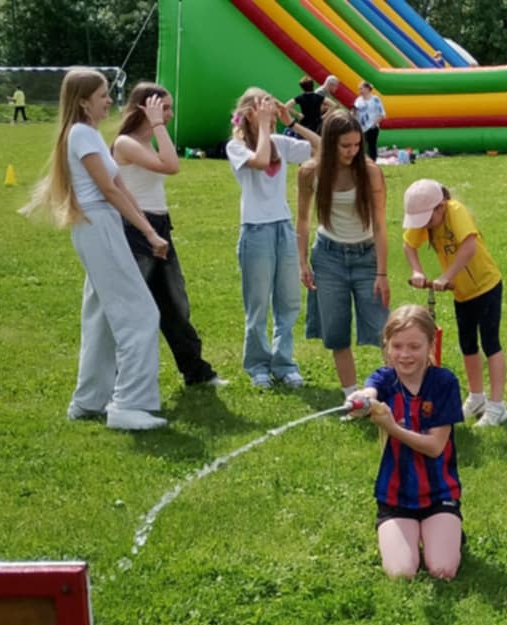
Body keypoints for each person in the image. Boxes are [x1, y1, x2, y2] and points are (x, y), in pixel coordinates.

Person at [19, 68, 168, 432]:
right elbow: (109, 190)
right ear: (84, 101)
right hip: (98, 225)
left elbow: (119, 185)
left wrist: (146, 228)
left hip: (102, 225)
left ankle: (89, 401)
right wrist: (149, 232)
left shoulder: (89, 134)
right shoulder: (82, 134)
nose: (109, 101)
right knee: (140, 315)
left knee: (100, 318)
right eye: (103, 95)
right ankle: (128, 405)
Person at [114, 82, 223, 390]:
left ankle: (196, 371)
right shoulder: (125, 143)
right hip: (137, 229)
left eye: (169, 108)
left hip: (160, 226)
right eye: (164, 108)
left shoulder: (148, 141)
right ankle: (119, 381)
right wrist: (158, 125)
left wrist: (158, 127)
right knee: (134, 308)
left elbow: (169, 162)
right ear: (144, 108)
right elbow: (172, 166)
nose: (170, 114)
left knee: (175, 303)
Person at [353, 306, 463, 580]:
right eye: (397, 346)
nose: (405, 354)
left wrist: (392, 429)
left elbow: (435, 447)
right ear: (387, 345)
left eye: (414, 346)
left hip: (439, 493)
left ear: (430, 345)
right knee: (402, 573)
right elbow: (370, 390)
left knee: (442, 570)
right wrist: (361, 400)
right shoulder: (384, 379)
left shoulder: (444, 383)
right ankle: (408, 533)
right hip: (395, 496)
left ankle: (447, 531)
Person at [226, 87, 318, 389]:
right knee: (258, 303)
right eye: (261, 106)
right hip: (255, 230)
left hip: (282, 227)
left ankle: (284, 363)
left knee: (288, 301)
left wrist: (291, 122)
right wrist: (264, 127)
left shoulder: (279, 141)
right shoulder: (236, 147)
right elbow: (261, 161)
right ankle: (257, 365)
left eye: (269, 105)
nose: (268, 111)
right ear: (247, 113)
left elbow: (320, 149)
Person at [298, 111, 392, 396]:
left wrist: (382, 273)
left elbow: (380, 225)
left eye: (356, 144)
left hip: (366, 256)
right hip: (328, 257)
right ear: (329, 143)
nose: (352, 151)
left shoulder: (370, 172)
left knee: (383, 329)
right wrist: (302, 262)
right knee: (336, 332)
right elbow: (303, 219)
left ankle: (397, 393)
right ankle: (352, 397)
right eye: (345, 146)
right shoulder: (310, 172)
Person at [402, 179, 507, 426]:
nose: (424, 225)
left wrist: (446, 276)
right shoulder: (428, 220)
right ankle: (476, 397)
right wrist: (417, 271)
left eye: (427, 219)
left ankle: (497, 406)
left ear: (440, 207)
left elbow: (469, 247)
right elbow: (408, 245)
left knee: (490, 343)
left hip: (486, 286)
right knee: (467, 345)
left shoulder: (455, 211)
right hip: (462, 293)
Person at [352, 81, 386, 161]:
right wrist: (353, 112)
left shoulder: (375, 99)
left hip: (372, 127)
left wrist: (373, 124)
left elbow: (382, 114)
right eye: (359, 89)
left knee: (371, 146)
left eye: (361, 89)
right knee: (360, 146)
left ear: (367, 89)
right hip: (361, 128)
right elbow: (355, 113)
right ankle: (361, 162)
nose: (360, 91)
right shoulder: (358, 100)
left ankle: (373, 162)